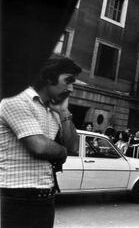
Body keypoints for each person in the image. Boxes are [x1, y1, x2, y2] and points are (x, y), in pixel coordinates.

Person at [0, 55, 81, 228]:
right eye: (68, 81)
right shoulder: (17, 99)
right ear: (48, 76)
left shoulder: (54, 110)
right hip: (17, 196)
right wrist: (62, 152)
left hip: (46, 196)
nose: (71, 88)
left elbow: (74, 147)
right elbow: (39, 146)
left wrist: (64, 112)